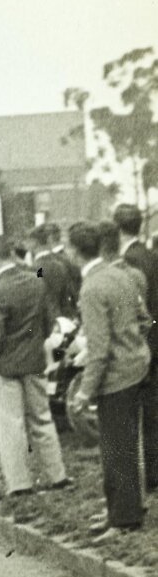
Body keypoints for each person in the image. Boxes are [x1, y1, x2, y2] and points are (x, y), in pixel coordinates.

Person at [68, 221, 150, 540]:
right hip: (135, 367)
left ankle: (124, 519)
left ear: (75, 252)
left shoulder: (91, 287)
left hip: (115, 376)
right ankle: (121, 508)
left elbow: (99, 350)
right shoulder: (122, 274)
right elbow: (145, 319)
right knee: (123, 444)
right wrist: (132, 345)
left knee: (116, 449)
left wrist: (83, 393)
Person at [0, 235, 69, 500]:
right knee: (42, 418)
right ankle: (57, 475)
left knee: (12, 425)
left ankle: (19, 484)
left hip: (5, 367)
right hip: (34, 362)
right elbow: (49, 323)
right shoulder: (36, 282)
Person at [113, 203, 158, 493]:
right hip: (154, 337)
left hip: (144, 341)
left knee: (142, 413)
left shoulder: (130, 260)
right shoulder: (149, 253)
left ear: (118, 229)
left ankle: (151, 474)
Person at [28, 224, 79, 320]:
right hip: (67, 316)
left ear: (33, 243)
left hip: (47, 319)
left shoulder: (36, 268)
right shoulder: (63, 262)